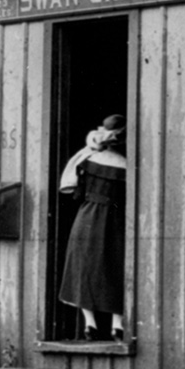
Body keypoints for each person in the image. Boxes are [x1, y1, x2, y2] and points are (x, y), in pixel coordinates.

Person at [57, 114, 127, 341]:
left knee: (83, 266)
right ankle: (117, 325)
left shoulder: (85, 158)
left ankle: (90, 324)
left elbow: (73, 190)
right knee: (114, 267)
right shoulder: (125, 165)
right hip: (115, 217)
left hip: (87, 216)